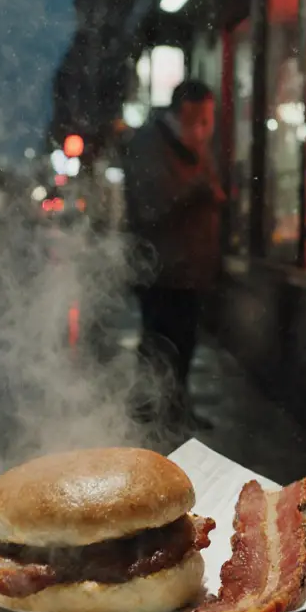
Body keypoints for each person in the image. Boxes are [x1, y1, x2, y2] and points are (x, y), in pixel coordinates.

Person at [123, 79, 226, 431]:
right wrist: (195, 193)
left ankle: (176, 407)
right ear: (185, 111)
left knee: (185, 342)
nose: (206, 127)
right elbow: (149, 207)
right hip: (160, 270)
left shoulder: (194, 146)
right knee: (159, 342)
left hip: (191, 270)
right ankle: (150, 410)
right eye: (202, 118)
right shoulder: (149, 144)